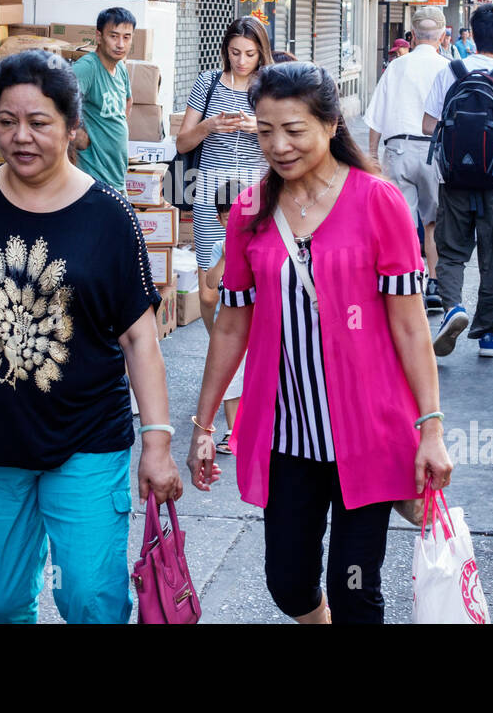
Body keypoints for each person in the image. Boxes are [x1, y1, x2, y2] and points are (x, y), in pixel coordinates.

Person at [0, 49, 182, 624]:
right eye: (7, 122)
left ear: (72, 127)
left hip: (87, 437)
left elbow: (139, 338)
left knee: (90, 599)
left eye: (39, 123)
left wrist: (157, 438)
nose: (20, 137)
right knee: (1, 601)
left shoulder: (109, 215)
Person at [186, 61, 452, 624]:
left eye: (294, 130)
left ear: (331, 124)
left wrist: (431, 428)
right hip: (287, 436)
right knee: (288, 583)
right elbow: (232, 325)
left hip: (369, 431)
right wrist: (204, 425)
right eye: (264, 130)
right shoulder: (249, 212)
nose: (278, 145)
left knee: (355, 587)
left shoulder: (378, 201)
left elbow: (409, 325)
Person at [422, 3, 493, 359]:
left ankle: (453, 308)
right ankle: (488, 335)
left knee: (452, 250)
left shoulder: (450, 71)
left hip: (453, 176)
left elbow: (428, 125)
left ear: (471, 34)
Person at [176, 17, 273, 336]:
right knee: (208, 288)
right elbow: (182, 142)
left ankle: (245, 354)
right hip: (208, 193)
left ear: (261, 53)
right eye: (235, 52)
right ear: (225, 50)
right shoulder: (209, 82)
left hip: (255, 194)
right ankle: (218, 346)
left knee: (255, 281)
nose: (241, 61)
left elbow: (287, 139)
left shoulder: (270, 86)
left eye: (249, 53)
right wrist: (209, 126)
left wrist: (257, 127)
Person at [366, 6, 449, 313]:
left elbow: (376, 116)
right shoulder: (449, 68)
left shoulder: (397, 67)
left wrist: (372, 155)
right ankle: (435, 284)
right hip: (435, 153)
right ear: (441, 36)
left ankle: (406, 279)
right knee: (431, 223)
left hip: (399, 150)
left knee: (400, 221)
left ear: (412, 36)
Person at [204, 180, 246, 454]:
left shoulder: (258, 243)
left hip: (256, 323)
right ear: (220, 220)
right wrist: (225, 256)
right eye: (227, 218)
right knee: (232, 377)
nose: (233, 223)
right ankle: (233, 430)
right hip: (228, 324)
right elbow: (210, 283)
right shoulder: (219, 246)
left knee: (253, 377)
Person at [72, 6, 135, 190]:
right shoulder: (88, 67)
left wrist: (114, 130)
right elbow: (57, 101)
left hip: (116, 176)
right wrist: (77, 134)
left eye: (126, 37)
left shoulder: (120, 67)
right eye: (113, 36)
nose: (120, 44)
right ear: (99, 37)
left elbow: (128, 101)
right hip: (91, 179)